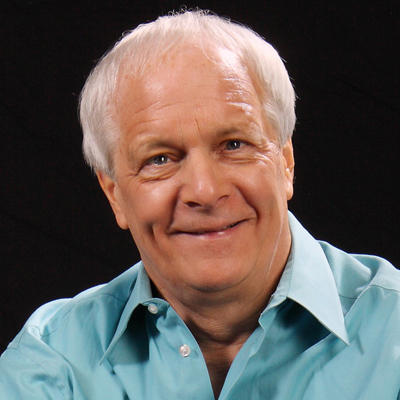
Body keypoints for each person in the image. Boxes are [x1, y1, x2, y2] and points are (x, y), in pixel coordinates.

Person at [1, 9, 399, 400]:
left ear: (286, 163)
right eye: (159, 159)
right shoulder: (51, 365)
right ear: (114, 194)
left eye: (234, 144)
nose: (205, 192)